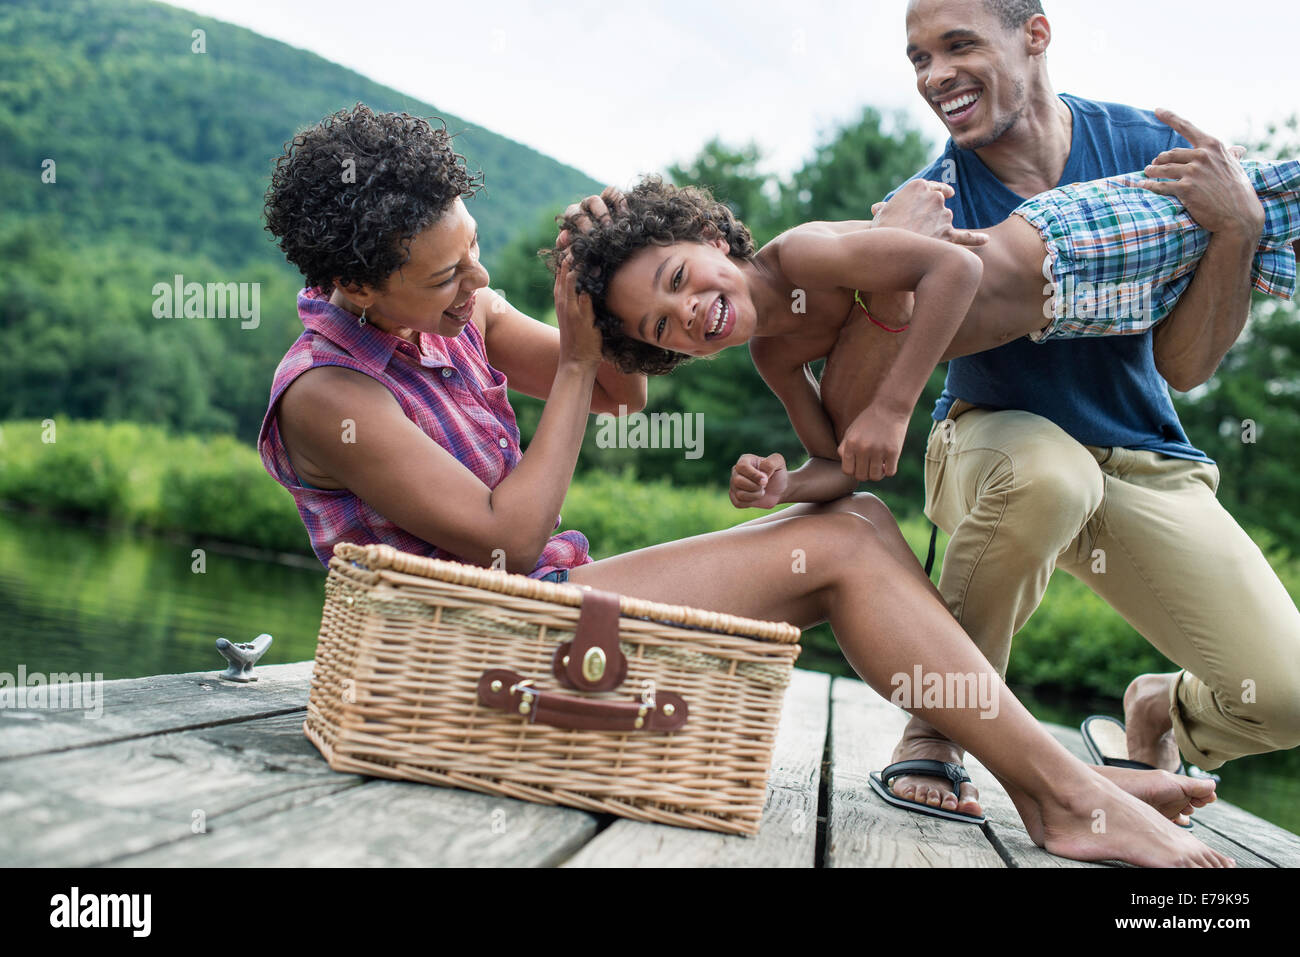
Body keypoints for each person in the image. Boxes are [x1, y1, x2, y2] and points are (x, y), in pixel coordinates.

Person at [256, 104, 1228, 865]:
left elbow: (626, 391)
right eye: (444, 277)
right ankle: (1063, 794)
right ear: (355, 290)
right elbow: (504, 540)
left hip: (532, 612)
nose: (474, 285)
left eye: (470, 252)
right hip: (465, 657)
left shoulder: (454, 311)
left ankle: (1056, 777)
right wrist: (585, 363)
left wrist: (588, 276)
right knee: (843, 539)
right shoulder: (328, 395)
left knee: (848, 519)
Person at [850, 0, 1300, 823]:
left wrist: (1237, 235)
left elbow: (1184, 365)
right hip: (994, 445)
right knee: (1048, 476)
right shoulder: (927, 204)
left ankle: (1159, 708)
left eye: (957, 45)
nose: (935, 75)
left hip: (1142, 461)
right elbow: (857, 371)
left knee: (1285, 696)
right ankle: (937, 728)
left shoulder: (1145, 153)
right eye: (918, 58)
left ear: (1035, 33)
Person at [552, 163, 1297, 481]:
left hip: (1065, 245)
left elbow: (957, 268)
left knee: (1264, 202)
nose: (686, 311)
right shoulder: (775, 359)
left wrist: (893, 406)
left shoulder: (806, 256)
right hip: (1078, 317)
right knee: (1265, 260)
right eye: (661, 327)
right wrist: (781, 485)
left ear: (715, 241)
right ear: (671, 354)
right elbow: (837, 458)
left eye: (678, 279)